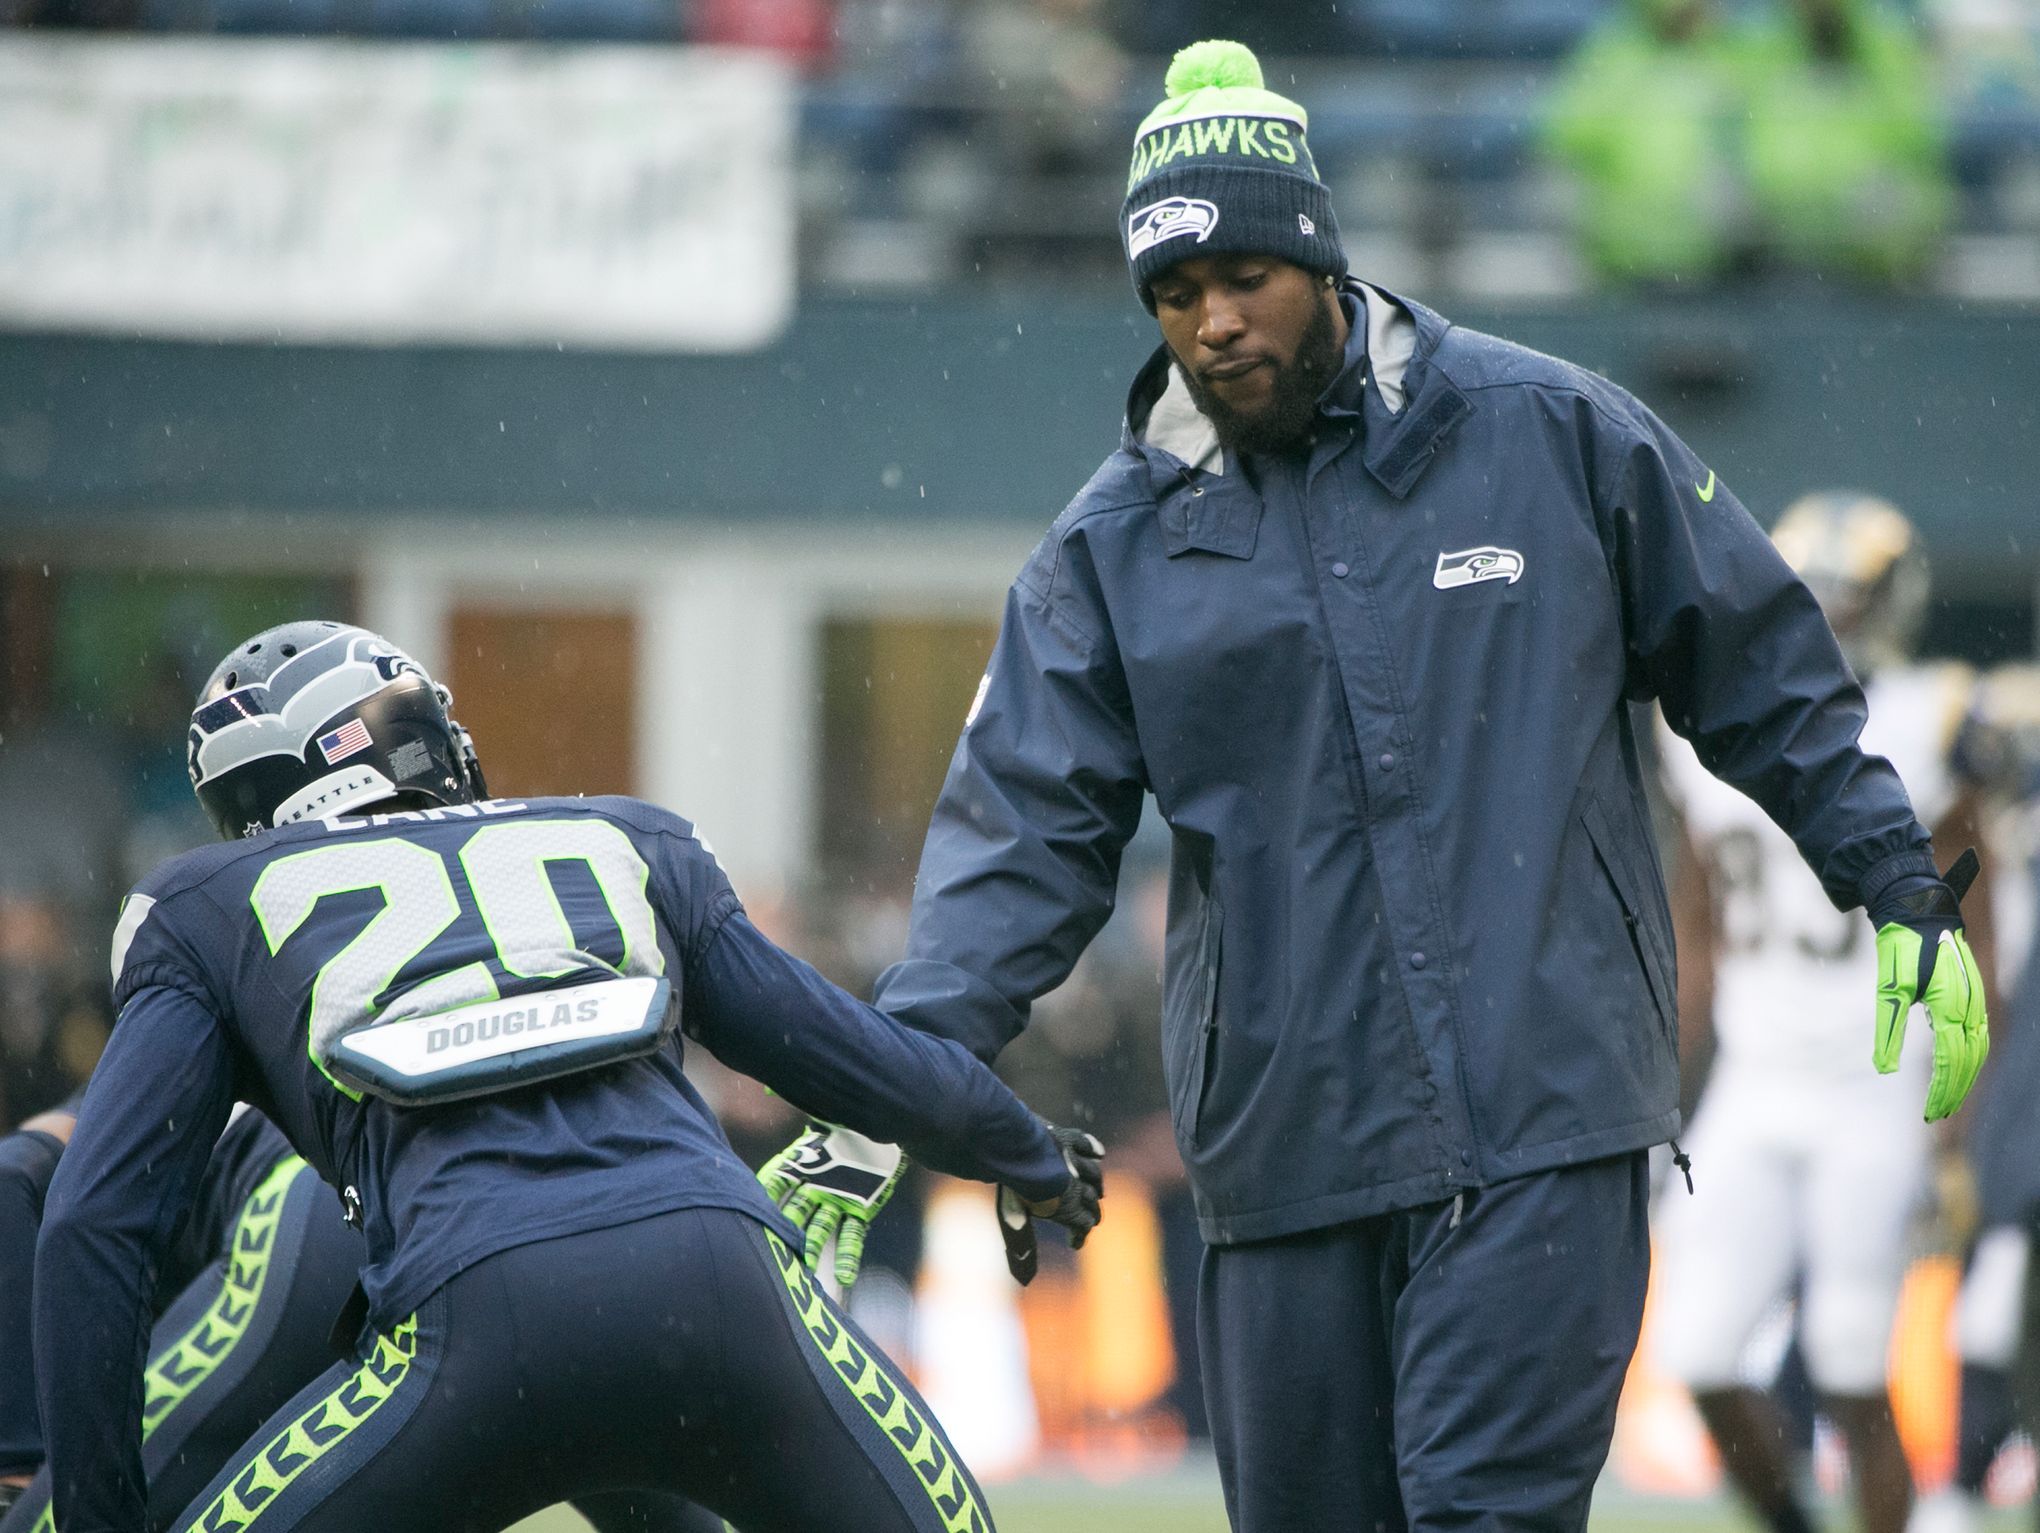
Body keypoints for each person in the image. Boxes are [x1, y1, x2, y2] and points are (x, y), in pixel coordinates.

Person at [770, 39, 1993, 1533]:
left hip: (1542, 1113)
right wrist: (890, 1081)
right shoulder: (1112, 549)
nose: (1212, 324)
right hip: (1285, 1149)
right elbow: (1016, 835)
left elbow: (1763, 669)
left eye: (1244, 279)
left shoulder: (1556, 436)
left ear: (1320, 256)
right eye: (1173, 296)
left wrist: (1894, 876)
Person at [35, 621, 1103, 1532]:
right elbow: (860, 1062)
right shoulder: (619, 836)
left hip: (469, 1327)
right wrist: (1032, 1155)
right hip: (727, 1292)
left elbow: (94, 1225)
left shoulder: (208, 906)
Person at [1650, 493, 1984, 1533]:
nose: (1834, 615)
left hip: (1877, 1079)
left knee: (1849, 1361)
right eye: (1820, 594)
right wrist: (1656, 1079)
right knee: (1698, 1355)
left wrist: (1964, 1118)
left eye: (1852, 595)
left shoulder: (1936, 716)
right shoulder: (1697, 720)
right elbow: (1697, 928)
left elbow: (1978, 943)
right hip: (1757, 1079)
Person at [0, 1096, 719, 1533]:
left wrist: (22, 1453)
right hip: (568, 1226)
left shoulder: (138, 1077)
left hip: (328, 1210)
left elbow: (14, 1175)